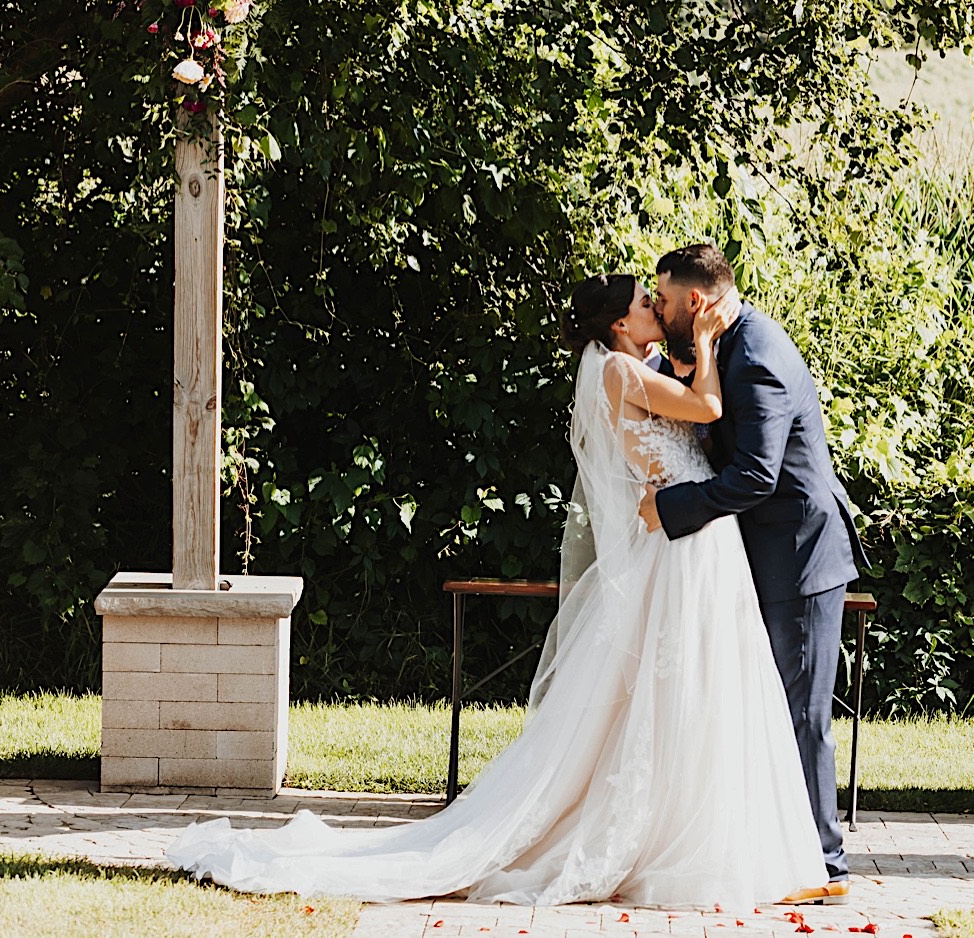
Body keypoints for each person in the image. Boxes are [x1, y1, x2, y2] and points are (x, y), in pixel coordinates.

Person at [165, 273, 828, 909]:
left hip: (692, 541)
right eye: (646, 305)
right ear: (623, 323)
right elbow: (708, 406)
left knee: (691, 691)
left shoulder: (635, 369)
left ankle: (687, 827)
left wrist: (693, 355)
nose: (659, 308)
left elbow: (690, 413)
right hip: (679, 547)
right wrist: (708, 344)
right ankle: (660, 835)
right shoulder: (620, 371)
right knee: (668, 691)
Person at [638, 244, 868, 904]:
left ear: (697, 303)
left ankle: (825, 866)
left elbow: (755, 476)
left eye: (665, 299)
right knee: (771, 705)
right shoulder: (727, 342)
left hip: (796, 552)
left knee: (801, 711)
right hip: (762, 550)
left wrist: (669, 507)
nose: (659, 307)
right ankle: (787, 849)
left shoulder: (758, 353)